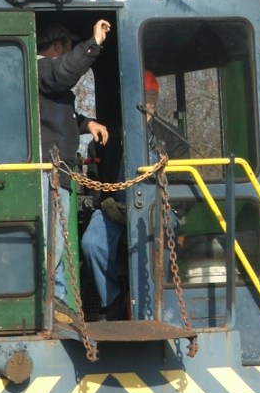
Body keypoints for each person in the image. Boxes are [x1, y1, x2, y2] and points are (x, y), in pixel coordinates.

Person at [81, 69, 189, 320]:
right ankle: (114, 302)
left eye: (150, 100)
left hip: (157, 209)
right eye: (142, 100)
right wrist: (105, 202)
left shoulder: (173, 139)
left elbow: (184, 183)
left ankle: (154, 304)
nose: (146, 106)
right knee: (91, 244)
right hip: (114, 209)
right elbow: (95, 178)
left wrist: (170, 208)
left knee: (159, 243)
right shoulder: (108, 137)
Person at [36, 19, 111, 320]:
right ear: (58, 48)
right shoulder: (41, 68)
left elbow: (57, 112)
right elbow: (61, 74)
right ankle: (55, 303)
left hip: (58, 172)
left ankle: (59, 301)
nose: (69, 56)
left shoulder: (44, 78)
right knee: (51, 242)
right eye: (68, 49)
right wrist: (93, 43)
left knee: (57, 237)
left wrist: (85, 123)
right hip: (46, 172)